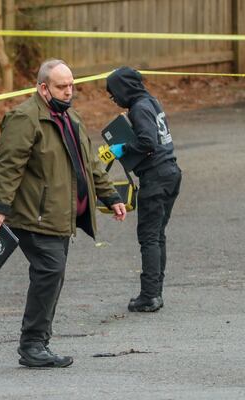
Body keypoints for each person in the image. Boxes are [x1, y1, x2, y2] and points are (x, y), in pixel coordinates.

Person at [0, 59, 127, 368]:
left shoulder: (71, 117)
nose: (68, 91)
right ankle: (33, 344)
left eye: (71, 85)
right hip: (35, 215)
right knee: (49, 273)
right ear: (43, 87)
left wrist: (110, 195)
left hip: (60, 215)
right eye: (61, 87)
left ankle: (37, 343)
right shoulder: (24, 118)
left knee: (52, 274)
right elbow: (8, 165)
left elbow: (88, 163)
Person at [106, 66, 181, 313]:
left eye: (114, 93)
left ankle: (149, 296)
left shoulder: (138, 109)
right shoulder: (152, 102)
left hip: (156, 177)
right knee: (158, 234)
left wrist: (122, 149)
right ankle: (155, 293)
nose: (113, 99)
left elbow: (147, 141)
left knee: (149, 236)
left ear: (124, 89)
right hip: (171, 173)